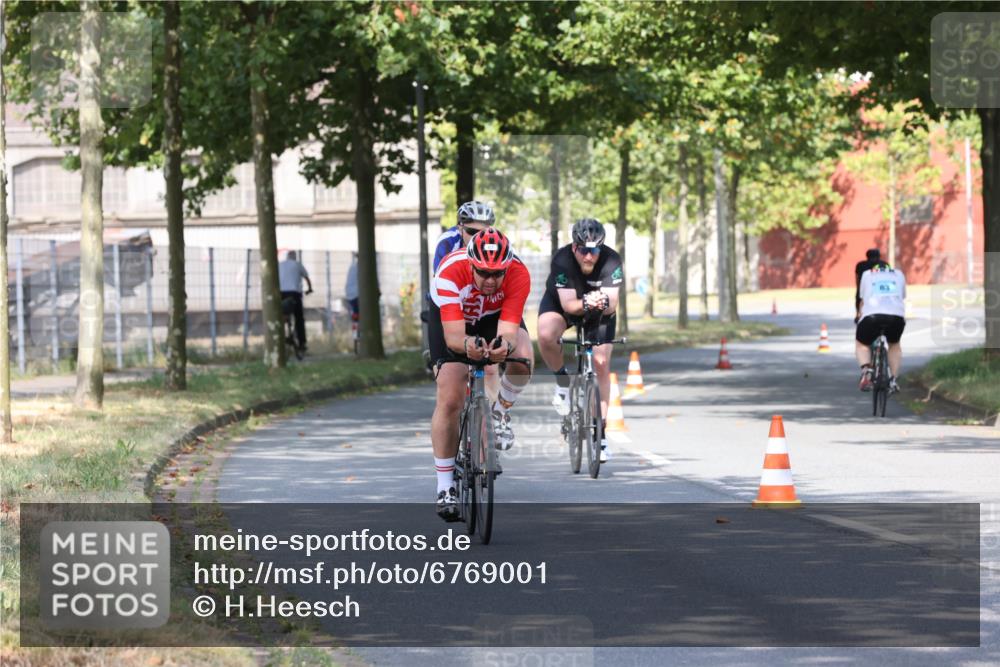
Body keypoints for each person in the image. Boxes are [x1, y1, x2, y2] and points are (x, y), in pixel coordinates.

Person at [428, 228, 534, 521]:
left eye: (497, 274)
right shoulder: (450, 272)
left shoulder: (518, 274)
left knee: (523, 358)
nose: (490, 280)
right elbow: (454, 338)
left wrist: (503, 347)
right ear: (471, 264)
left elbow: (508, 332)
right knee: (450, 394)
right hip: (453, 319)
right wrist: (467, 346)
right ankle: (445, 486)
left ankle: (499, 413)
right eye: (483, 273)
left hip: (493, 316)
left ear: (507, 267)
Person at [536, 218, 622, 464]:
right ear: (574, 247)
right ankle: (563, 381)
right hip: (564, 305)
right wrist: (586, 301)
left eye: (595, 250)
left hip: (600, 311)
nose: (589, 256)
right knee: (546, 334)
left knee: (601, 362)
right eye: (583, 250)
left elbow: (612, 304)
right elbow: (568, 305)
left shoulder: (612, 260)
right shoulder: (562, 260)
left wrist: (599, 303)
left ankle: (600, 435)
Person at [855, 261, 906, 393]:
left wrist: (859, 315)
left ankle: (866, 371)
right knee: (894, 345)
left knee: (862, 344)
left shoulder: (867, 274)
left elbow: (863, 300)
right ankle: (893, 379)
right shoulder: (899, 274)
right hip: (896, 317)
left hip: (872, 316)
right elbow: (902, 297)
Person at [279, 250, 313, 351]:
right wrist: (309, 289)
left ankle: (279, 338)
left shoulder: (280, 265)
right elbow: (307, 278)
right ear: (295, 257)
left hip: (281, 294)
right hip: (294, 294)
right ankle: (302, 343)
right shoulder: (298, 264)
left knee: (281, 316)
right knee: (299, 318)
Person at [854, 248, 881, 323]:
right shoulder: (884, 264)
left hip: (864, 287)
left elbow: (857, 277)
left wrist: (858, 287)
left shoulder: (860, 265)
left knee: (859, 297)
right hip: (879, 287)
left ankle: (858, 314)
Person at [345, 252, 359, 319]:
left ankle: (356, 319)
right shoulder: (362, 268)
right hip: (357, 295)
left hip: (350, 295)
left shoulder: (352, 267)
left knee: (356, 312)